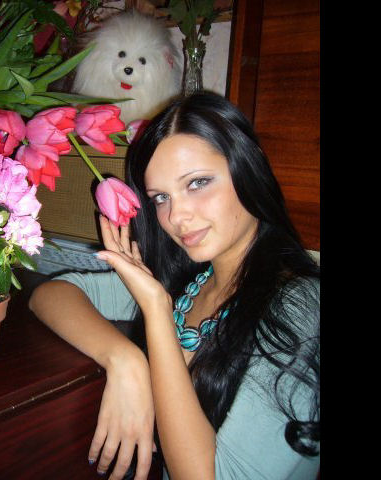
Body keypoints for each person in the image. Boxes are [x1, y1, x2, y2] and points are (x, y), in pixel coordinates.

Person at [29, 92, 320, 480]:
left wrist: (157, 312)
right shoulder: (192, 280)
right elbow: (52, 293)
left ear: (247, 170)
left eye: (198, 182)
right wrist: (125, 360)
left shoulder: (300, 304)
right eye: (161, 197)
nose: (177, 216)